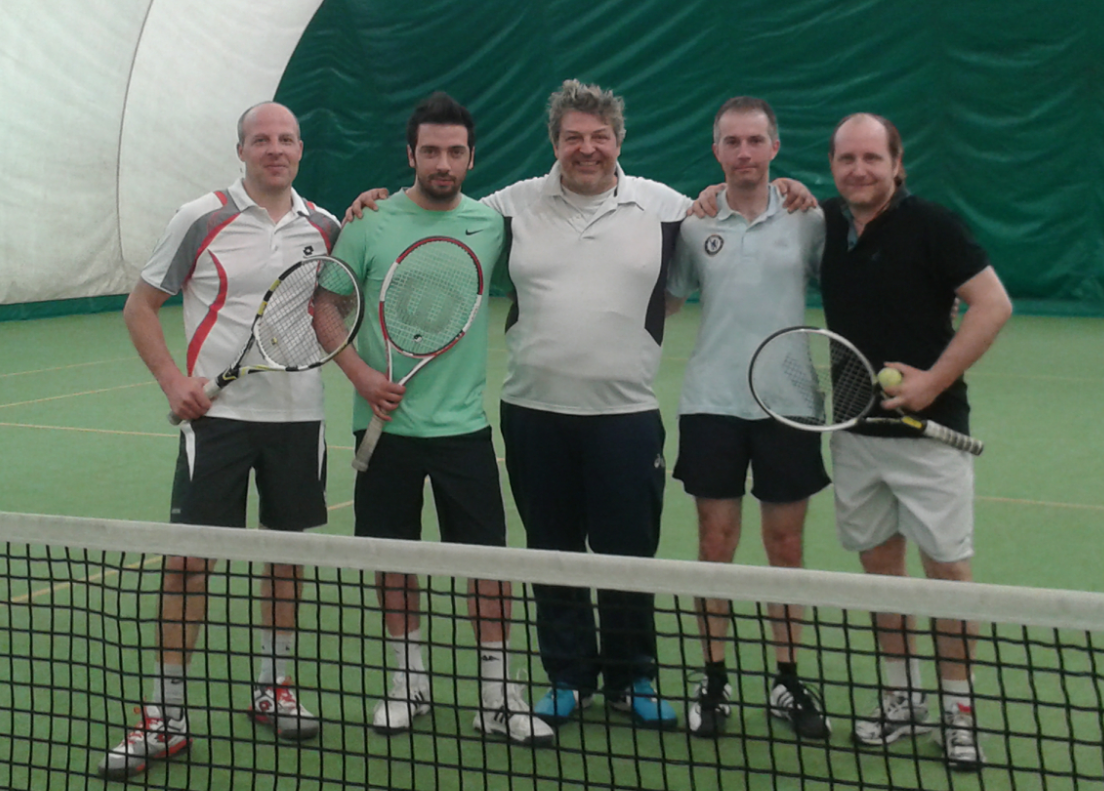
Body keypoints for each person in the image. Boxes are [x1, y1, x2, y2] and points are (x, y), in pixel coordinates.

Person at [345, 80, 815, 732]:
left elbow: (728, 212)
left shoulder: (667, 207)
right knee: (552, 551)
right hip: (534, 413)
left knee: (628, 555)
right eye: (573, 137)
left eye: (599, 137)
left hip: (626, 415)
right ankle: (567, 677)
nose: (587, 148)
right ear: (555, 142)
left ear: (619, 140)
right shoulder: (510, 208)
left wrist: (787, 189)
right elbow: (437, 206)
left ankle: (632, 678)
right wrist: (373, 198)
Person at [100, 102, 338, 779]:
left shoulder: (326, 226)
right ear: (241, 150)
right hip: (217, 423)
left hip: (299, 418)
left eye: (286, 138)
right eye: (261, 139)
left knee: (285, 558)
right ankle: (166, 716)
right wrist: (173, 381)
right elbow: (140, 306)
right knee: (188, 564)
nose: (275, 149)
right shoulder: (199, 218)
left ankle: (272, 687)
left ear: (300, 148)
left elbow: (332, 309)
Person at [328, 92, 553, 746]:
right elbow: (326, 305)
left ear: (472, 158)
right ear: (411, 154)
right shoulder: (369, 222)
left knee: (488, 565)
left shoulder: (490, 223)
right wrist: (361, 376)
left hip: (464, 431)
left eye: (455, 152)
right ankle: (408, 683)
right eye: (431, 151)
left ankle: (497, 697)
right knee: (394, 562)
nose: (443, 163)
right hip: (384, 430)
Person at [820, 113, 1012, 770]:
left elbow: (993, 304)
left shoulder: (933, 225)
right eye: (847, 158)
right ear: (833, 165)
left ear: (897, 164)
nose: (859, 169)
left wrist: (933, 381)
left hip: (931, 435)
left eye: (872, 157)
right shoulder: (825, 224)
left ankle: (959, 711)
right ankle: (902, 697)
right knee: (881, 572)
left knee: (947, 574)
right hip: (855, 434)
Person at [665, 97, 831, 740]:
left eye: (754, 141)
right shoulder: (694, 224)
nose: (743, 153)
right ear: (716, 152)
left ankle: (788, 679)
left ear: (774, 147)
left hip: (790, 404)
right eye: (731, 142)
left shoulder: (808, 219)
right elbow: (667, 299)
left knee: (785, 546)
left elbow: (846, 281)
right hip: (712, 403)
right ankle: (714, 677)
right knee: (716, 544)